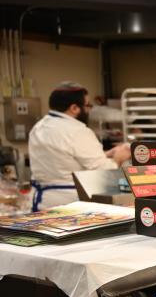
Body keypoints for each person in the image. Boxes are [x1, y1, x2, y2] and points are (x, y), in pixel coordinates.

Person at [27, 82, 131, 211]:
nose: (89, 110)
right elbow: (103, 171)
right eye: (87, 105)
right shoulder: (77, 130)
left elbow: (65, 159)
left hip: (43, 201)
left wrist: (106, 154)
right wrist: (119, 158)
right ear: (74, 108)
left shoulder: (38, 127)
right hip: (70, 203)